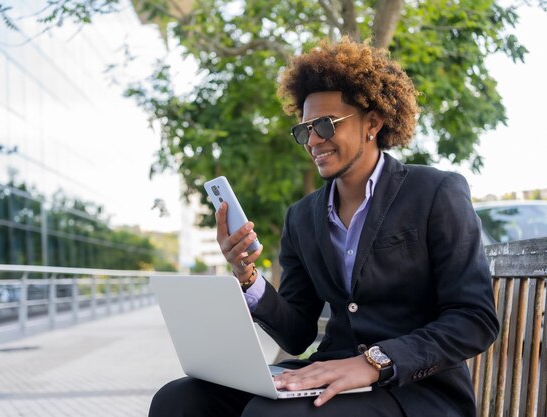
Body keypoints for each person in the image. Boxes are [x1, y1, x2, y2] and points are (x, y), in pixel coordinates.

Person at [149, 38, 499, 417]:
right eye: (304, 130)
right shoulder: (302, 217)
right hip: (330, 371)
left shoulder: (434, 192)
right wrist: (246, 276)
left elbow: (474, 318)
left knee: (270, 416)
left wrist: (373, 362)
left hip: (415, 390)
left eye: (325, 125)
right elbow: (297, 334)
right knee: (178, 400)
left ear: (373, 123)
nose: (313, 140)